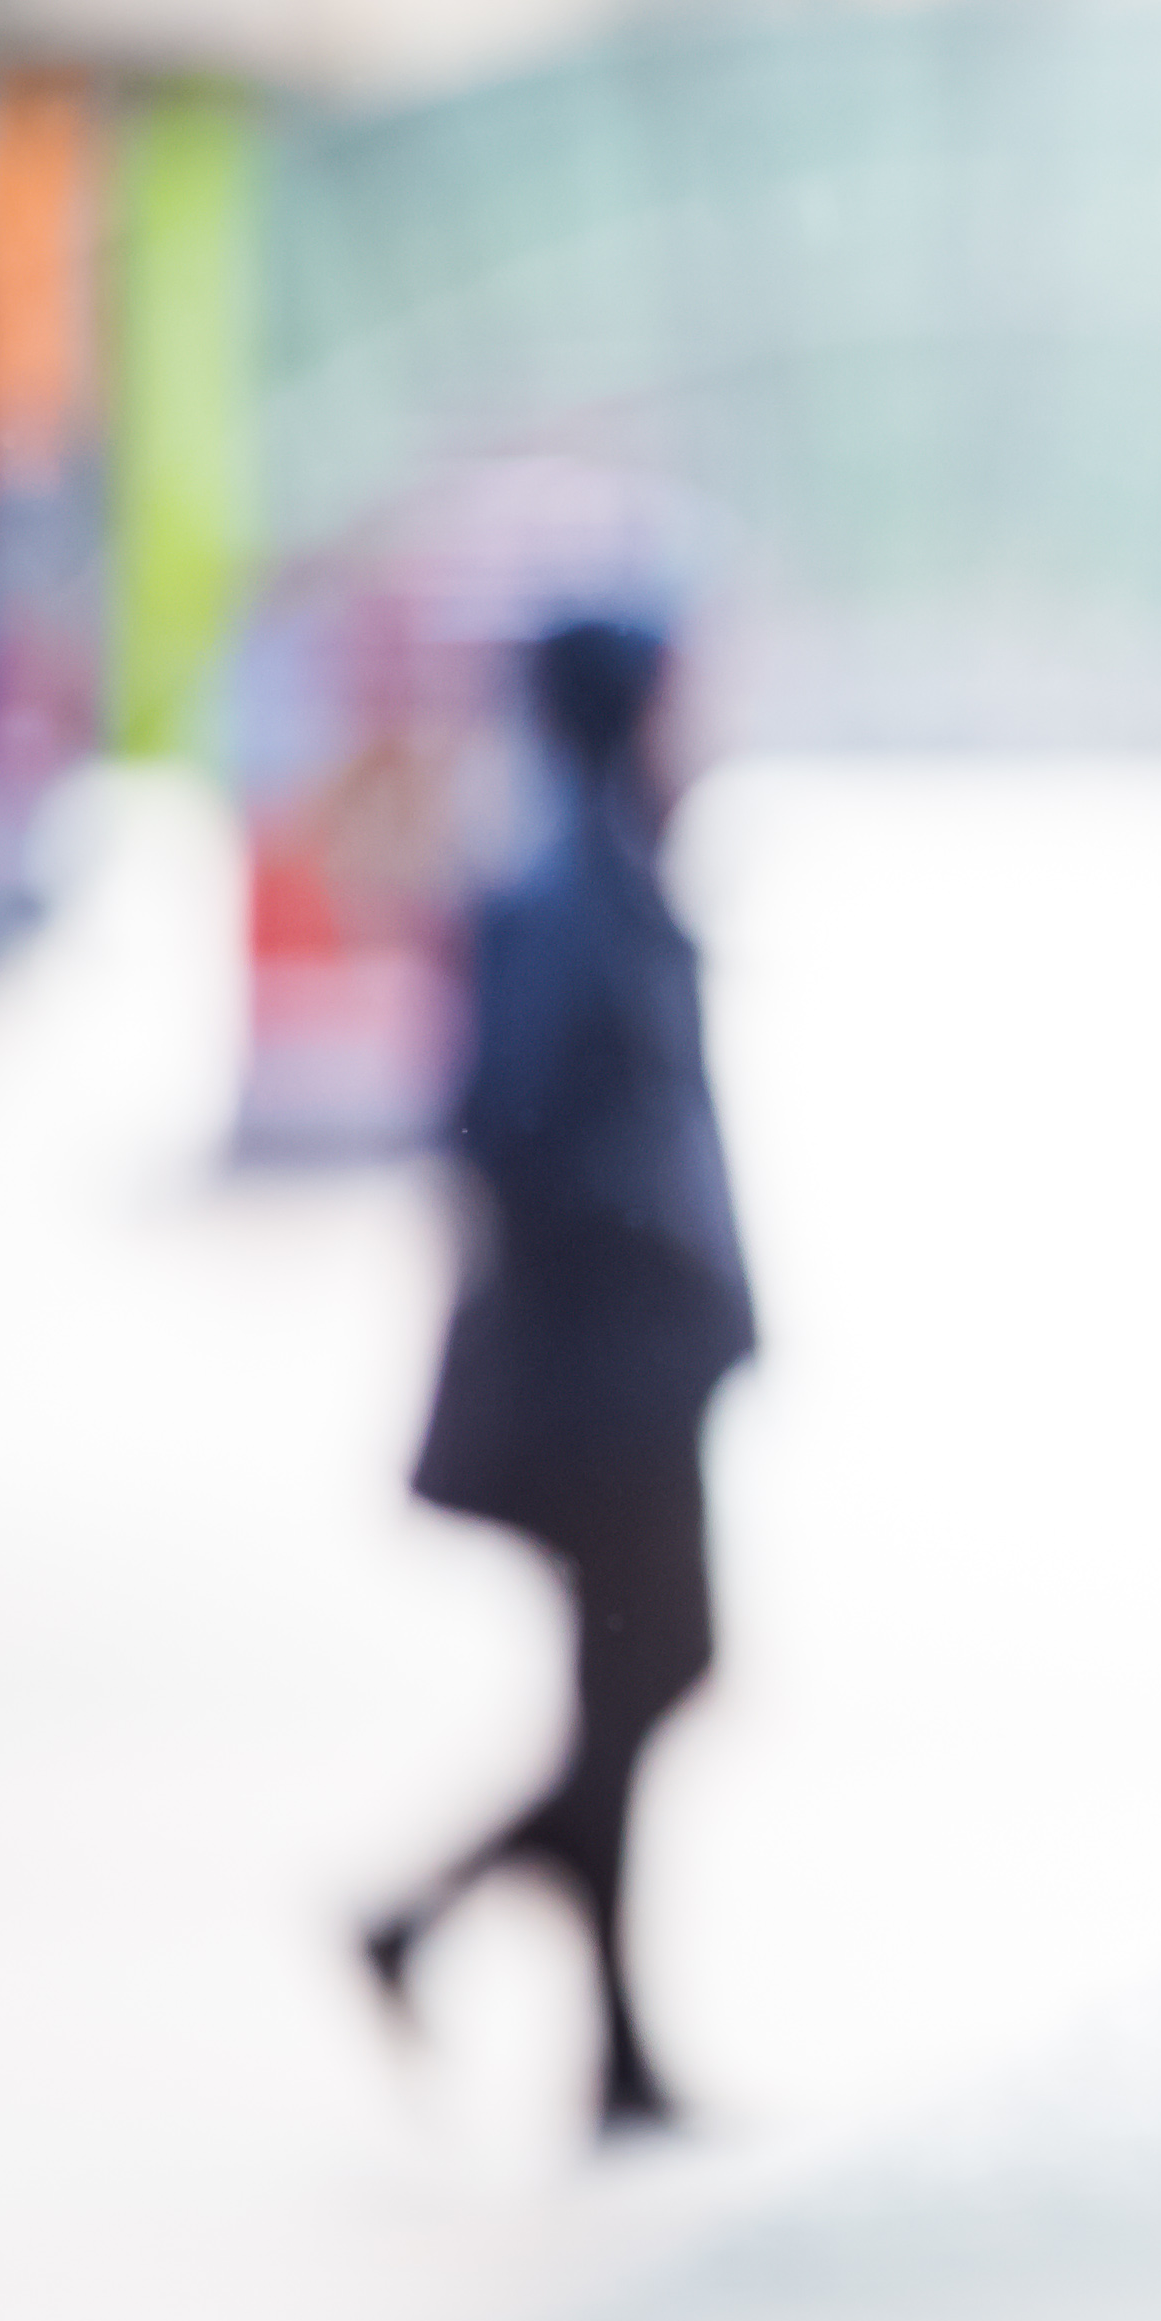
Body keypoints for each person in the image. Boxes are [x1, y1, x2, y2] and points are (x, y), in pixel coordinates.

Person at [363, 616, 752, 2128]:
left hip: (629, 1366)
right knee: (644, 1679)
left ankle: (585, 2031)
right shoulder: (568, 889)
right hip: (606, 1379)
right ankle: (483, 1955)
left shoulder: (602, 867)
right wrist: (659, 1249)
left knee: (632, 1687)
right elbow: (509, 1126)